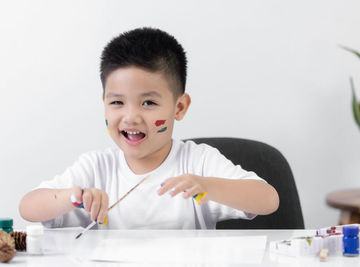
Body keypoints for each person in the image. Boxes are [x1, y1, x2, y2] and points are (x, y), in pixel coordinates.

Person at [19, 27, 279, 229]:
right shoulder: (97, 167)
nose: (131, 117)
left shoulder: (198, 163)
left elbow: (268, 199)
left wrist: (207, 186)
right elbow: (27, 207)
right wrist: (72, 197)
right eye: (117, 102)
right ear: (104, 104)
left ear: (179, 108)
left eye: (148, 102)